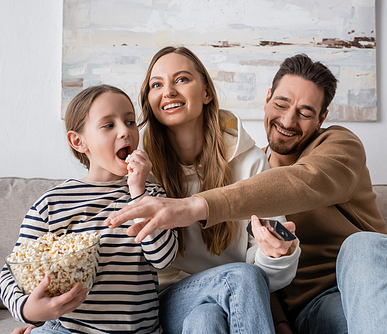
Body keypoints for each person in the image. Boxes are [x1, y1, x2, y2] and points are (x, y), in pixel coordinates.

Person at [105, 54, 387, 333]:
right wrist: (281, 317)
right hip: (317, 308)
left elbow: (302, 181)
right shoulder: (250, 166)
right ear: (268, 99)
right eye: (282, 104)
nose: (288, 120)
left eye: (305, 113)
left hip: (379, 274)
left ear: (321, 118)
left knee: (361, 246)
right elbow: (254, 274)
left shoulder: (338, 146)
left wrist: (196, 205)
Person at [106, 46, 300, 333]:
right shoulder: (137, 166)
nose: (168, 91)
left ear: (207, 93)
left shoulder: (249, 162)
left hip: (235, 297)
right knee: (241, 278)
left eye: (181, 79)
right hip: (165, 301)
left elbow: (265, 275)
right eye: (156, 84)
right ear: (149, 99)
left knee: (206, 319)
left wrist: (275, 254)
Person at [0, 84, 178, 334]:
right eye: (108, 125)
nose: (125, 131)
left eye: (130, 121)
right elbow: (11, 273)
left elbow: (163, 258)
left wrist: (138, 192)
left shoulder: (151, 196)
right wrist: (28, 310)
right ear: (79, 141)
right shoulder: (52, 204)